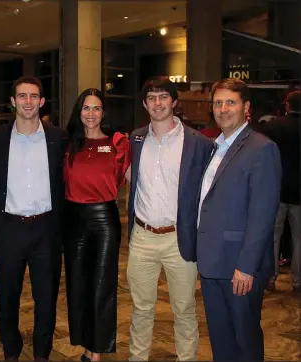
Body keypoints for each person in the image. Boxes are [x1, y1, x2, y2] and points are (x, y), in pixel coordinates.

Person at [127, 77, 214, 361]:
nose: (158, 103)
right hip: (142, 237)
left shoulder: (197, 143)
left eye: (164, 97)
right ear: (144, 104)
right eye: (152, 98)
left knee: (185, 308)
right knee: (141, 308)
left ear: (174, 102)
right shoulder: (137, 138)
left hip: (180, 237)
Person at [197, 78, 281, 361]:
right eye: (218, 103)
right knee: (222, 343)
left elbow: (263, 214)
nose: (223, 109)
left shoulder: (261, 148)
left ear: (246, 107)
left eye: (230, 102)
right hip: (212, 263)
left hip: (239, 268)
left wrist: (246, 267)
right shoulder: (214, 146)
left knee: (244, 343)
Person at [0, 76, 67, 360]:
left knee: (46, 299)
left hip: (46, 229)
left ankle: (42, 353)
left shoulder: (58, 138)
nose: (28, 102)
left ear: (42, 101)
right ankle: (11, 350)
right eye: (22, 96)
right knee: (7, 296)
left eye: (34, 96)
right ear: (13, 101)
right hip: (9, 229)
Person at [63, 88, 130, 361]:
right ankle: (84, 340)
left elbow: (128, 179)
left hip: (104, 220)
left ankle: (96, 351)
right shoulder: (68, 143)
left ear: (104, 112)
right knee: (78, 284)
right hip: (73, 219)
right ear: (79, 112)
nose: (91, 114)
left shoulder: (117, 142)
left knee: (102, 284)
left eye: (96, 108)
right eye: (86, 108)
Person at [258, 90, 300, 293]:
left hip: (276, 190)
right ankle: (298, 282)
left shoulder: (273, 127)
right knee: (299, 238)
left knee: (272, 236)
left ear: (287, 106)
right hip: (300, 193)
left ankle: (270, 278)